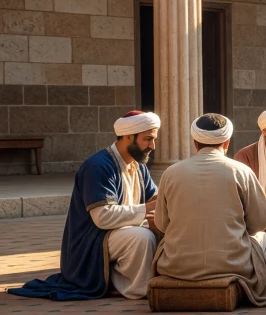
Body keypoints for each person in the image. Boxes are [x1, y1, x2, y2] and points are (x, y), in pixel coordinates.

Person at [13, 111, 160, 301]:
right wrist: (149, 208)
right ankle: (138, 289)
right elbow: (104, 218)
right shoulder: (98, 166)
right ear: (128, 136)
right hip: (91, 241)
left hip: (119, 233)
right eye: (147, 139)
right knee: (142, 237)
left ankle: (123, 279)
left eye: (153, 139)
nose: (152, 146)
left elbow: (154, 197)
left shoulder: (138, 166)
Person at [153, 114, 266, 306]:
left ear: (195, 143)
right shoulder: (241, 171)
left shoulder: (171, 173)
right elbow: (260, 222)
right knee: (264, 238)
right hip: (232, 265)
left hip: (176, 266)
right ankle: (263, 288)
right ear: (226, 143)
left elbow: (162, 224)